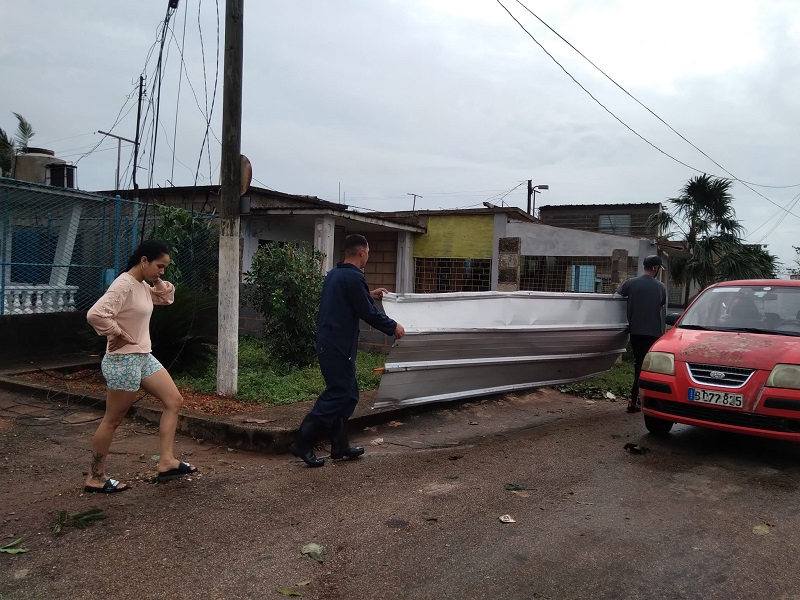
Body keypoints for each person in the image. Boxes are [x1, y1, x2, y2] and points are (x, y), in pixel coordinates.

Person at [84, 240, 197, 492]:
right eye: (159, 266)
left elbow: (167, 298)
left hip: (143, 356)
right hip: (123, 360)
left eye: (165, 267)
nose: (162, 272)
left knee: (174, 401)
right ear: (143, 260)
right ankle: (95, 476)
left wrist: (155, 279)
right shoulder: (124, 284)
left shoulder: (141, 285)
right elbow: (95, 314)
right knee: (113, 419)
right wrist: (118, 333)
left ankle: (166, 462)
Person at [289, 234, 406, 467]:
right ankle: (302, 442)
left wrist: (369, 294)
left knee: (348, 393)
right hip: (337, 344)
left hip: (332, 341)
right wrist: (393, 327)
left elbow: (349, 299)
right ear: (361, 252)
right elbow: (368, 313)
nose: (368, 257)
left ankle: (339, 446)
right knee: (338, 393)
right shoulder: (353, 277)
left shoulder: (336, 273)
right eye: (369, 252)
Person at [615, 254, 667, 413]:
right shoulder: (660, 287)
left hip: (636, 331)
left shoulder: (630, 283)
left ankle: (637, 399)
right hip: (653, 333)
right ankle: (636, 400)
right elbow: (661, 304)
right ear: (655, 268)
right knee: (648, 368)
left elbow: (617, 296)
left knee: (639, 365)